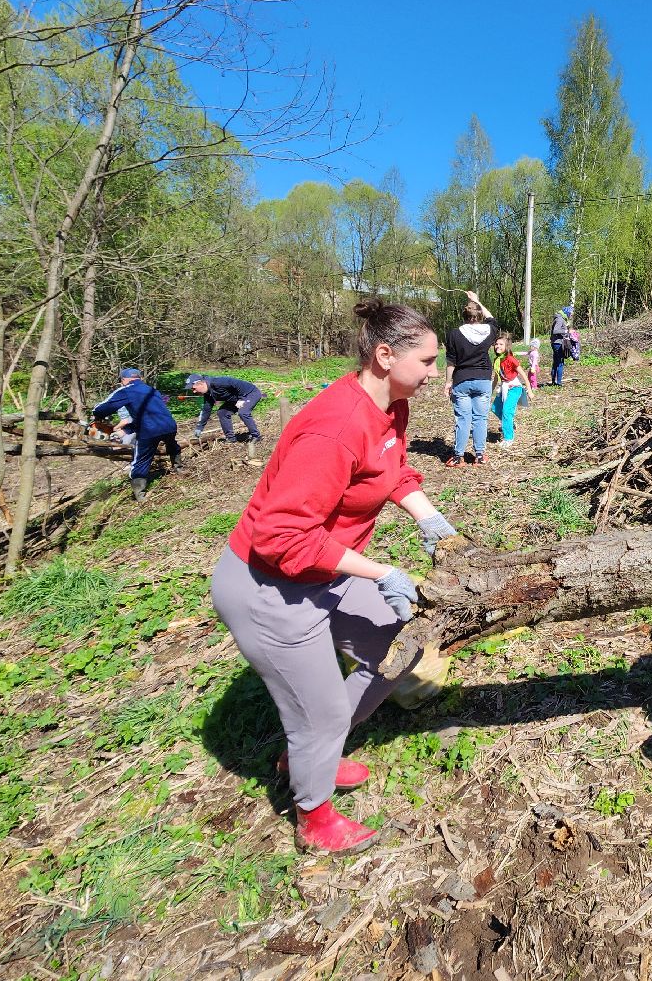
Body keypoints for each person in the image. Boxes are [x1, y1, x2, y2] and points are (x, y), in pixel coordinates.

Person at [209, 301, 460, 854]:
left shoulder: (391, 404)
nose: (435, 372)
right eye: (428, 360)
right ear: (384, 355)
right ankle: (314, 818)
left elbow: (390, 471)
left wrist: (427, 515)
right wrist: (383, 571)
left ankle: (308, 755)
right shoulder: (335, 427)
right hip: (268, 586)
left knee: (402, 648)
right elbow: (282, 536)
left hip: (325, 565)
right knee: (319, 714)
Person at [93, 368, 183, 501]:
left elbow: (102, 408)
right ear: (139, 378)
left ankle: (139, 494)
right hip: (169, 425)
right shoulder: (152, 390)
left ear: (124, 380)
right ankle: (179, 468)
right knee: (172, 444)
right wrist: (127, 429)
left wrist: (96, 414)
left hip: (149, 430)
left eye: (121, 381)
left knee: (140, 459)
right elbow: (148, 415)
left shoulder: (126, 390)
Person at [443, 291, 497, 467]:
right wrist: (477, 301)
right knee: (481, 419)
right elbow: (492, 318)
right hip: (483, 380)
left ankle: (458, 457)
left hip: (461, 380)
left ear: (464, 316)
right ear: (479, 314)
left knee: (462, 419)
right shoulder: (489, 330)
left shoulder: (454, 334)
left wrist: (448, 382)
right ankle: (480, 456)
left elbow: (451, 361)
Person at [187, 373, 264, 445]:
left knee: (243, 412)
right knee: (222, 412)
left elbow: (236, 384)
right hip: (235, 399)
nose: (194, 391)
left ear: (201, 383)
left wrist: (241, 399)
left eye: (194, 388)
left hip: (250, 393)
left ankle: (256, 436)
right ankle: (231, 439)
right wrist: (199, 427)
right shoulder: (208, 394)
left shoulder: (218, 382)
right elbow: (206, 410)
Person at [490, 331, 526, 451]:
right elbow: (496, 378)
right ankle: (510, 423)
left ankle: (508, 438)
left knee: (506, 411)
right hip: (504, 387)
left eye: (501, 344)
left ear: (506, 347)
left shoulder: (511, 359)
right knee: (495, 408)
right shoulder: (496, 360)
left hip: (514, 387)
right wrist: (490, 391)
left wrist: (530, 391)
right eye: (496, 344)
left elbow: (523, 374)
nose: (498, 346)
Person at [549, 306, 573, 386]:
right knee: (560, 362)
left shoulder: (560, 318)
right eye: (570, 314)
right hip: (558, 343)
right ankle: (558, 383)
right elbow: (556, 330)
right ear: (567, 312)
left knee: (556, 362)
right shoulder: (560, 319)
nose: (571, 315)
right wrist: (566, 331)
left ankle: (554, 382)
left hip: (556, 342)